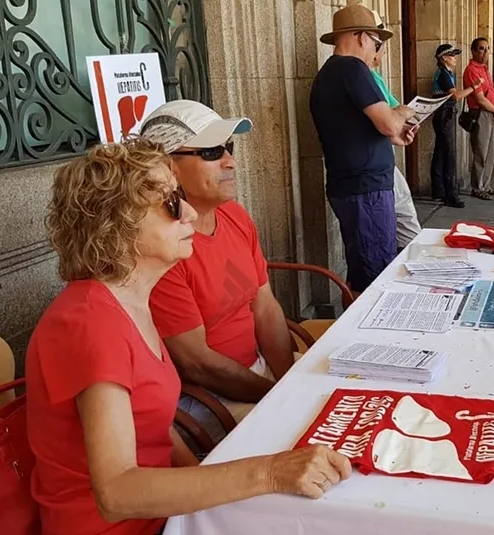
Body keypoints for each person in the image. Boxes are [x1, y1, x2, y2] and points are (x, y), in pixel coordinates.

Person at [27, 139, 351, 535]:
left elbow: (155, 426)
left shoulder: (129, 303)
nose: (189, 213)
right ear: (116, 223)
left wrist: (214, 494)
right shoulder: (91, 322)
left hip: (170, 516)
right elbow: (115, 493)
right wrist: (268, 474)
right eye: (169, 203)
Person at [136, 101, 292, 435]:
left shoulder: (235, 216)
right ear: (166, 168)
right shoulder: (161, 246)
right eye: (210, 152)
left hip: (259, 379)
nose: (230, 161)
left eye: (228, 148)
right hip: (208, 401)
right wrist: (279, 396)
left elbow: (265, 308)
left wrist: (288, 380)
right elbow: (198, 365)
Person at [309, 4, 416, 292]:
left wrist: (395, 136)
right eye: (376, 43)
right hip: (365, 189)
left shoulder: (331, 73)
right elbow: (388, 124)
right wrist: (403, 114)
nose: (376, 53)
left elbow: (358, 129)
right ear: (361, 37)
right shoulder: (352, 68)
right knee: (374, 276)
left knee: (366, 268)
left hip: (356, 187)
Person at [367, 10, 422, 249]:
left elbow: (392, 115)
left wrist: (401, 122)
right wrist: (400, 116)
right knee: (382, 235)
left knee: (404, 215)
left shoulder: (371, 76)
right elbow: (390, 118)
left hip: (382, 158)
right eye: (379, 44)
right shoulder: (357, 75)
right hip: (369, 170)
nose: (382, 52)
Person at [431, 43, 483, 209]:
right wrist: (474, 87)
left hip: (443, 115)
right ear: (444, 58)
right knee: (450, 155)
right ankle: (450, 195)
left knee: (440, 153)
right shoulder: (444, 75)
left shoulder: (445, 73)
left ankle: (438, 191)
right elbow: (456, 96)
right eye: (452, 56)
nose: (455, 58)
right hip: (445, 115)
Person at [464, 37, 494, 201]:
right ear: (473, 51)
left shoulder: (484, 69)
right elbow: (480, 99)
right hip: (481, 113)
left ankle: (486, 185)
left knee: (490, 153)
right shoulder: (472, 70)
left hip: (490, 113)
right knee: (481, 152)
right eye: (481, 49)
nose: (485, 52)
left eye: (487, 49)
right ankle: (477, 187)